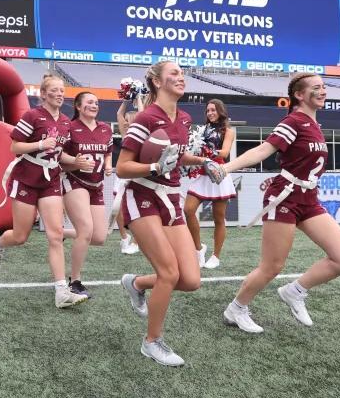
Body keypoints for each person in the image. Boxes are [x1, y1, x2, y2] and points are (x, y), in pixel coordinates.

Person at [220, 72, 340, 334]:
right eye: (316, 87)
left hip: (309, 198)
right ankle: (236, 309)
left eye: (324, 86)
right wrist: (227, 168)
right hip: (285, 196)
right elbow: (262, 150)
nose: (323, 91)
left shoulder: (313, 124)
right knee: (272, 265)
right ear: (299, 95)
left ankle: (295, 291)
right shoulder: (294, 121)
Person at [116, 61, 225, 366]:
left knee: (191, 280)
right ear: (156, 81)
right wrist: (153, 167)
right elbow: (122, 167)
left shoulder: (186, 118)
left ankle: (136, 283)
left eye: (181, 73)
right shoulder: (145, 118)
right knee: (169, 272)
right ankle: (152, 342)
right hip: (142, 197)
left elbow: (175, 157)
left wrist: (202, 162)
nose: (180, 77)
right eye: (174, 73)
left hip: (170, 199)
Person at [0, 73, 88, 309]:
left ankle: (61, 291)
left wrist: (76, 161)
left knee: (55, 235)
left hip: (51, 179)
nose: (59, 93)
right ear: (43, 94)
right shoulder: (32, 115)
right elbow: (14, 146)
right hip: (26, 179)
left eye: (62, 90)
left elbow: (58, 154)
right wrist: (40, 144)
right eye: (54, 89)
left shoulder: (65, 122)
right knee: (20, 236)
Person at [60, 91, 113, 298]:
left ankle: (62, 233)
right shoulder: (69, 128)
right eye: (89, 102)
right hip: (74, 180)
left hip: (97, 184)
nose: (94, 105)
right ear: (78, 106)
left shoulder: (105, 128)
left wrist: (108, 166)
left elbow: (107, 152)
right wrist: (75, 161)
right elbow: (58, 153)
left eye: (96, 102)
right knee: (86, 230)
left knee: (99, 237)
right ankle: (75, 281)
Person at [184, 99, 236, 269]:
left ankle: (216, 256)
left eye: (213, 110)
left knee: (218, 218)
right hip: (201, 173)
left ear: (220, 111)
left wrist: (208, 152)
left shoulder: (228, 131)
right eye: (208, 111)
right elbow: (193, 149)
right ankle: (199, 249)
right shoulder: (202, 130)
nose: (210, 113)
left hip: (218, 174)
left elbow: (226, 152)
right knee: (188, 210)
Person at [114, 96, 143, 255]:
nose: (125, 122)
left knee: (136, 209)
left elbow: (142, 112)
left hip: (136, 175)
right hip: (122, 175)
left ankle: (136, 241)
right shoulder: (125, 133)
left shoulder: (141, 135)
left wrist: (139, 98)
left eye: (128, 119)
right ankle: (124, 237)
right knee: (117, 207)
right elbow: (119, 113)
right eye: (125, 120)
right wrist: (127, 98)